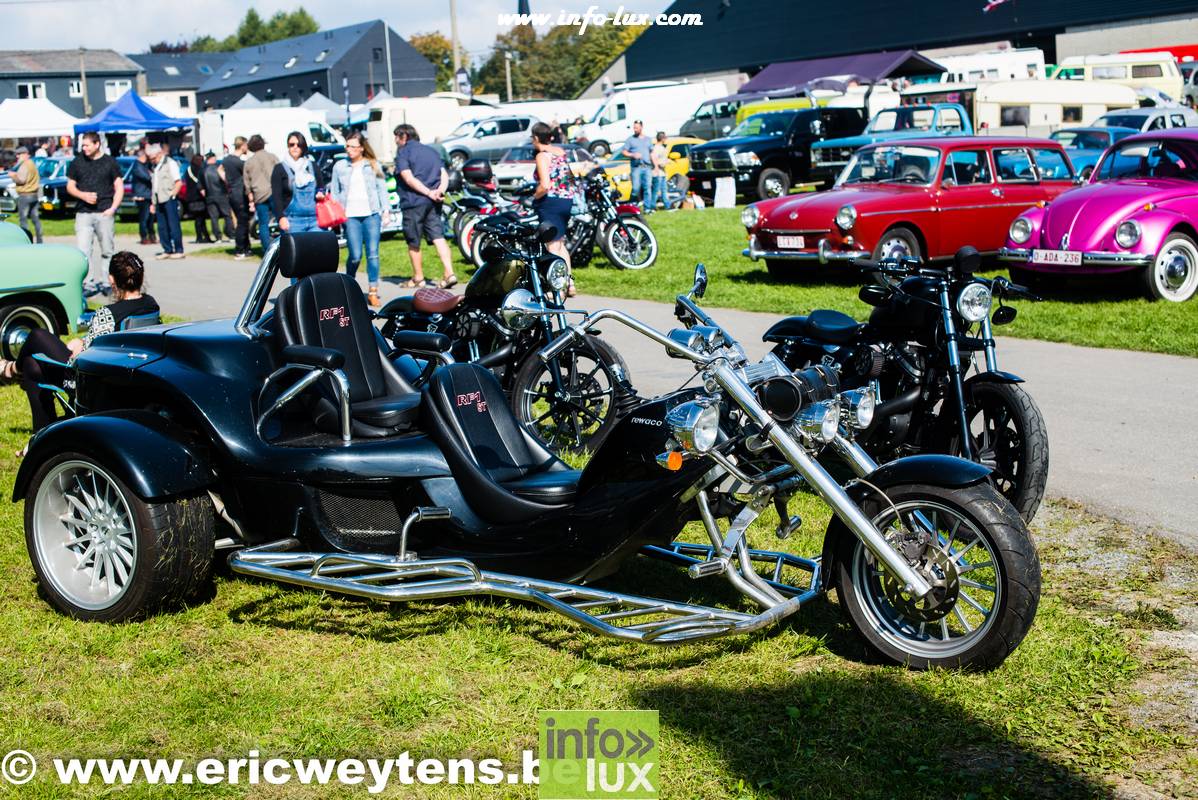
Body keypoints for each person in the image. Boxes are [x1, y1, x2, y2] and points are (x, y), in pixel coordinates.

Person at [1, 251, 159, 456]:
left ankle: (13, 371)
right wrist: (83, 341)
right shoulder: (150, 305)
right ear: (140, 277)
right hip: (127, 380)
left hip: (91, 384)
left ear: (112, 280)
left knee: (37, 338)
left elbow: (88, 359)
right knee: (32, 364)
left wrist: (77, 349)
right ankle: (40, 437)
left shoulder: (108, 314)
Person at [331, 131, 391, 307]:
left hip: (371, 214)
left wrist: (386, 211)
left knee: (373, 253)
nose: (348, 149)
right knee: (355, 255)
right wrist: (336, 212)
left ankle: (373, 291)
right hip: (350, 216)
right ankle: (348, 285)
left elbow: (382, 189)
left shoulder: (372, 165)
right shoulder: (339, 166)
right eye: (347, 146)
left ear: (361, 148)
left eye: (352, 146)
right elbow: (334, 192)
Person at [394, 124, 456, 289]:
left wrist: (428, 192)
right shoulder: (432, 151)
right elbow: (444, 175)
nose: (395, 141)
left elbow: (408, 178)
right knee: (438, 236)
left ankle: (418, 278)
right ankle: (450, 273)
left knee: (413, 241)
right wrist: (440, 191)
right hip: (434, 202)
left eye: (396, 137)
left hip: (413, 202)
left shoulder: (403, 153)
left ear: (404, 136)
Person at [66, 131, 124, 295]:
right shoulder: (77, 162)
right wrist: (82, 195)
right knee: (83, 251)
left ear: (97, 144)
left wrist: (113, 208)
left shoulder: (110, 162)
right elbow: (70, 186)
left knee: (107, 250)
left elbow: (119, 186)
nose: (84, 148)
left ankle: (107, 282)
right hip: (83, 213)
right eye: (82, 145)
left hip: (104, 212)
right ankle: (88, 284)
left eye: (87, 145)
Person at [530, 121, 577, 298]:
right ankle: (570, 283)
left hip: (551, 203)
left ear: (536, 138)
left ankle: (557, 288)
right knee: (560, 243)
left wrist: (535, 196)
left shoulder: (542, 156)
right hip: (567, 200)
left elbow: (545, 185)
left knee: (552, 246)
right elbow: (567, 178)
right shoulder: (560, 152)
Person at [270, 131, 324, 236]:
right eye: (292, 144)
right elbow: (276, 197)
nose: (295, 147)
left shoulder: (312, 166)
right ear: (288, 146)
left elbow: (321, 186)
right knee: (296, 247)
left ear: (303, 147)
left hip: (315, 219)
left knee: (317, 246)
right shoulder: (279, 169)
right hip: (292, 220)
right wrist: (281, 217)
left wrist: (320, 192)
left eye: (299, 145)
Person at [147, 144, 184, 259]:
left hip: (169, 199)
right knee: (162, 227)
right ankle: (167, 249)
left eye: (153, 158)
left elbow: (178, 182)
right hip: (158, 199)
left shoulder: (170, 163)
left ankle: (179, 250)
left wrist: (172, 194)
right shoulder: (155, 166)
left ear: (159, 154)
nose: (152, 160)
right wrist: (153, 203)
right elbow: (155, 186)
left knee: (173, 225)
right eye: (150, 159)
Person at [244, 134, 279, 251]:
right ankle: (285, 245)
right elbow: (280, 173)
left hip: (259, 195)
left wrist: (250, 198)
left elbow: (247, 183)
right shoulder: (272, 157)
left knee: (263, 223)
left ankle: (267, 249)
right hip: (274, 192)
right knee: (281, 219)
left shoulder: (249, 162)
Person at [223, 136, 252, 259]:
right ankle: (240, 249)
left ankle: (246, 248)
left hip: (232, 193)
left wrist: (228, 182)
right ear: (243, 145)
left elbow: (220, 171)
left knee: (242, 221)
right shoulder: (239, 162)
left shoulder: (226, 160)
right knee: (242, 222)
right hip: (239, 194)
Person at [7, 146, 42, 243]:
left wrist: (13, 176)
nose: (17, 156)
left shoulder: (25, 165)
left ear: (25, 154)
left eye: (19, 154)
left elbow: (21, 180)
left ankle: (26, 241)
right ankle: (40, 241)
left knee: (23, 220)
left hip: (25, 195)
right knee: (36, 219)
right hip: (34, 195)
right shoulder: (32, 163)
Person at [621, 120, 652, 210]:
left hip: (647, 167)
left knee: (647, 187)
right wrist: (632, 155)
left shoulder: (648, 139)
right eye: (634, 128)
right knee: (635, 188)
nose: (635, 129)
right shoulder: (630, 140)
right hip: (636, 167)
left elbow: (651, 152)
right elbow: (624, 151)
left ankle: (647, 208)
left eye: (637, 128)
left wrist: (655, 166)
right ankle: (633, 205)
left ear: (641, 127)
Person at [203, 152, 233, 243]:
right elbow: (226, 180)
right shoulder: (219, 169)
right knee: (227, 215)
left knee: (214, 217)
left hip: (209, 196)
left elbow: (201, 187)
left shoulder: (203, 170)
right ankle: (230, 234)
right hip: (221, 194)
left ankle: (217, 236)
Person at [129, 145, 156, 245]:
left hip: (149, 194)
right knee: (144, 217)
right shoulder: (137, 166)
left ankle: (152, 235)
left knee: (151, 217)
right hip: (141, 195)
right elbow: (147, 177)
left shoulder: (147, 165)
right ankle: (144, 236)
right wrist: (152, 174)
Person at [184, 155, 212, 243]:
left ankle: (202, 236)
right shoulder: (200, 170)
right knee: (200, 219)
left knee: (198, 219)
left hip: (190, 197)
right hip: (199, 197)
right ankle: (202, 237)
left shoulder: (188, 170)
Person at [649, 131, 668, 214]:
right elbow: (654, 159)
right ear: (662, 138)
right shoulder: (656, 148)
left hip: (663, 172)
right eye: (665, 137)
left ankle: (667, 205)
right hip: (657, 173)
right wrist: (662, 163)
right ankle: (652, 206)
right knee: (656, 191)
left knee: (664, 190)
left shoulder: (662, 147)